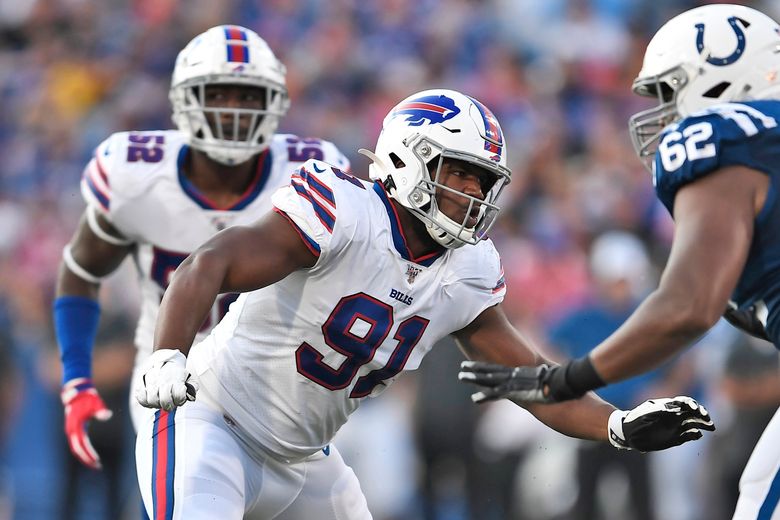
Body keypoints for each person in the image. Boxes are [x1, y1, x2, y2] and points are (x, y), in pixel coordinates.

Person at [133, 88, 714, 519]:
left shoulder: (468, 270)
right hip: (212, 425)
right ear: (406, 159)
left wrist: (617, 424)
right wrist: (167, 354)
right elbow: (208, 264)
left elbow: (532, 381)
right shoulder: (343, 210)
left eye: (483, 184)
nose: (472, 196)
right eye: (459, 174)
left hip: (307, 460)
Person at [457, 4, 780, 519]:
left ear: (726, 82)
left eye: (671, 93)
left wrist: (563, 381)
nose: (664, 116)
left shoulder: (732, 138)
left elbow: (685, 307)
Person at [53, 24, 350, 470]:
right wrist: (77, 379)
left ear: (275, 103)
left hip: (277, 380)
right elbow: (81, 270)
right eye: (219, 93)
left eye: (248, 96)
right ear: (183, 100)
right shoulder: (136, 175)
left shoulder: (311, 176)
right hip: (170, 370)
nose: (233, 110)